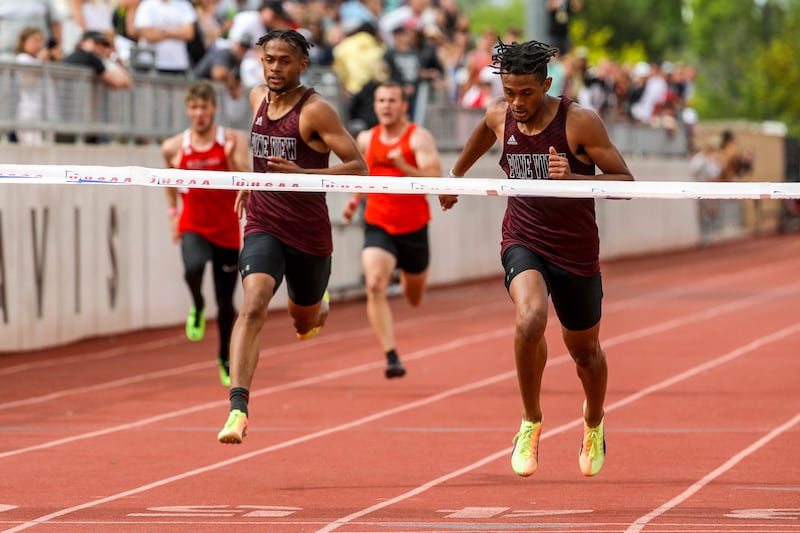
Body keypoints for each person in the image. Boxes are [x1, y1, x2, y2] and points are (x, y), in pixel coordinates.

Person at [439, 38, 634, 478]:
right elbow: (479, 140)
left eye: (527, 93)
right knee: (530, 320)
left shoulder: (580, 122)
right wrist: (454, 178)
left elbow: (626, 181)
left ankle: (594, 420)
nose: (517, 103)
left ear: (546, 84)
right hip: (523, 238)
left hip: (576, 251)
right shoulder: (498, 114)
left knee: (584, 353)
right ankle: (530, 420)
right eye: (510, 93)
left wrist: (579, 179)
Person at [217, 29, 369, 444]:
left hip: (307, 232)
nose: (275, 68)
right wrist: (251, 180)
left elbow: (359, 167)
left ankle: (317, 306)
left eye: (284, 61)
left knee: (303, 320)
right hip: (263, 222)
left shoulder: (316, 111)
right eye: (269, 60)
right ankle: (238, 408)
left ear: (302, 64)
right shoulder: (255, 99)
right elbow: (259, 156)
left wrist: (305, 176)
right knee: (252, 304)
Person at [342, 81, 442, 379]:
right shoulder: (367, 138)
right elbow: (363, 175)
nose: (386, 106)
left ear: (403, 106)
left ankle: (406, 274)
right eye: (381, 100)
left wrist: (405, 167)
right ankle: (391, 355)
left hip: (413, 227)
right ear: (375, 106)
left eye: (392, 100)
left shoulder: (417, 138)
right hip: (378, 223)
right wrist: (353, 202)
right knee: (374, 285)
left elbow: (436, 176)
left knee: (413, 297)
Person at [161, 80, 251, 387]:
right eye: (194, 108)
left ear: (214, 108)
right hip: (194, 226)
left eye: (205, 107)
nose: (199, 113)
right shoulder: (174, 146)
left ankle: (224, 356)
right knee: (192, 268)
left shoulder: (232, 139)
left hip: (226, 229)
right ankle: (197, 306)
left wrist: (229, 158)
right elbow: (168, 182)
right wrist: (174, 215)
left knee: (226, 304)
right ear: (188, 110)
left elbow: (244, 176)